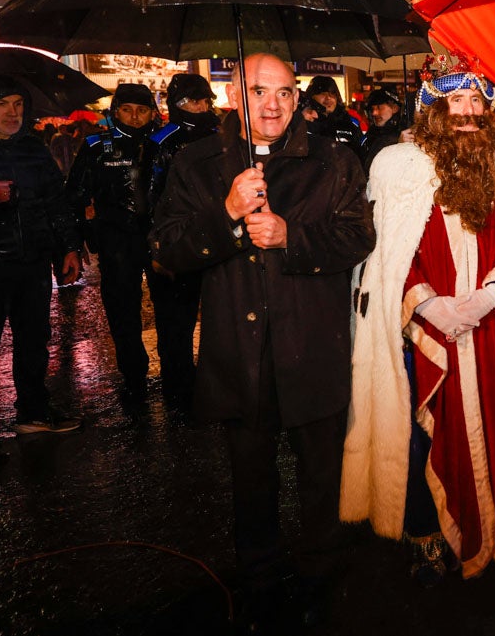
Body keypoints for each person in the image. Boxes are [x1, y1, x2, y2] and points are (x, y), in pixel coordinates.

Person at [149, 54, 374, 626]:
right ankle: (260, 574)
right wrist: (225, 214)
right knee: (250, 478)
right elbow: (168, 249)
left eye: (282, 92)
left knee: (322, 473)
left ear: (297, 100)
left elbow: (357, 238)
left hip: (312, 345)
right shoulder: (195, 163)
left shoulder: (335, 160)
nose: (270, 104)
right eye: (257, 91)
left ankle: (321, 573)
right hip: (238, 351)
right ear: (233, 97)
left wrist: (289, 236)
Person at [341, 68, 495, 580]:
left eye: (477, 100)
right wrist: (430, 307)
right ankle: (425, 535)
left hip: (489, 327)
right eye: (457, 101)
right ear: (433, 110)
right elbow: (387, 252)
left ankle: (494, 525)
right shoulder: (399, 167)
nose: (469, 111)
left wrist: (486, 299)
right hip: (422, 330)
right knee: (418, 433)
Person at [0, 75, 83, 462]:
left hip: (33, 264)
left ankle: (34, 413)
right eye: (2, 104)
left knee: (33, 341)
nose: (13, 113)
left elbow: (55, 203)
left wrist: (69, 248)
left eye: (18, 105)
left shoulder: (35, 150)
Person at [66, 83, 161, 399]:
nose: (135, 117)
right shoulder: (96, 145)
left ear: (152, 112)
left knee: (172, 308)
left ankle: (178, 373)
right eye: (127, 110)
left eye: (142, 110)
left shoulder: (163, 142)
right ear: (115, 111)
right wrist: (75, 243)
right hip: (116, 242)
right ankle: (134, 378)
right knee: (123, 313)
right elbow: (75, 197)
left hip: (162, 239)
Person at [144, 72, 220, 403]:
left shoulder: (222, 135)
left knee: (220, 315)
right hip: (179, 241)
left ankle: (216, 381)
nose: (200, 107)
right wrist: (161, 247)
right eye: (193, 101)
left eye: (204, 100)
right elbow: (147, 197)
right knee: (176, 319)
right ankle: (178, 386)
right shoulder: (161, 141)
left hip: (218, 236)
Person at [302, 75, 364, 155]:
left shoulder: (350, 122)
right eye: (322, 93)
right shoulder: (303, 122)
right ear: (312, 97)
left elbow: (361, 154)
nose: (328, 98)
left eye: (332, 93)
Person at [359, 87, 407, 172]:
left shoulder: (404, 135)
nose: (374, 113)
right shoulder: (371, 133)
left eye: (379, 107)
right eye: (372, 109)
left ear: (394, 108)